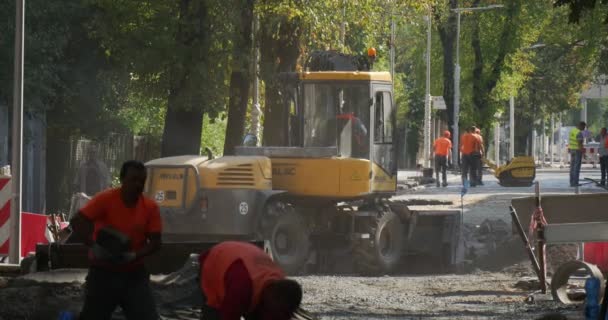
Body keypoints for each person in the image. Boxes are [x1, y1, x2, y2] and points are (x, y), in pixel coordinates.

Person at [70, 160, 162, 320]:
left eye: (142, 180)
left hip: (134, 274)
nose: (138, 184)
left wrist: (134, 255)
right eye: (133, 179)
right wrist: (93, 246)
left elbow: (155, 243)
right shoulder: (105, 199)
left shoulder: (150, 207)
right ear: (122, 179)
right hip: (103, 272)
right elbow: (77, 221)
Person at [198, 241, 303, 320]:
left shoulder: (280, 284)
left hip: (243, 256)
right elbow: (229, 317)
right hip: (215, 261)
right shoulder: (241, 288)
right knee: (213, 315)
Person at [569, 121, 586, 187]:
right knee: (576, 168)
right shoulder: (579, 133)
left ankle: (571, 182)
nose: (584, 129)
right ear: (581, 126)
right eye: (583, 127)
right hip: (577, 151)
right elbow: (580, 144)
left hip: (572, 150)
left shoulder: (572, 131)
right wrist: (583, 153)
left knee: (572, 168)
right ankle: (575, 182)